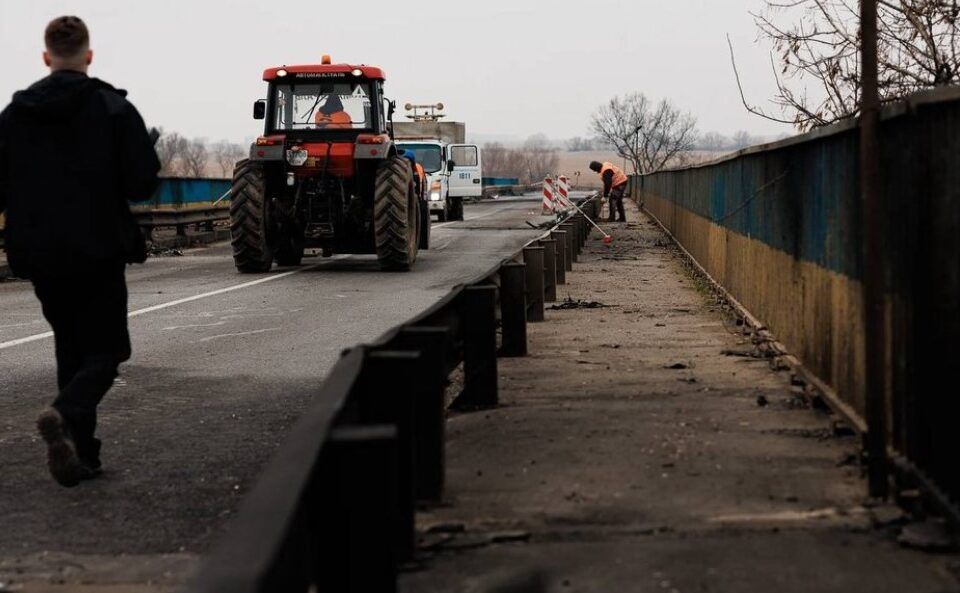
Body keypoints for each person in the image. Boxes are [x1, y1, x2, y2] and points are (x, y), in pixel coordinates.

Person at [0, 16, 160, 487]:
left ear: (47, 58)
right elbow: (142, 183)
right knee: (108, 350)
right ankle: (65, 412)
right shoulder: (112, 109)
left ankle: (82, 454)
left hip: (40, 254)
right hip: (99, 248)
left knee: (71, 347)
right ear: (88, 56)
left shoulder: (14, 116)